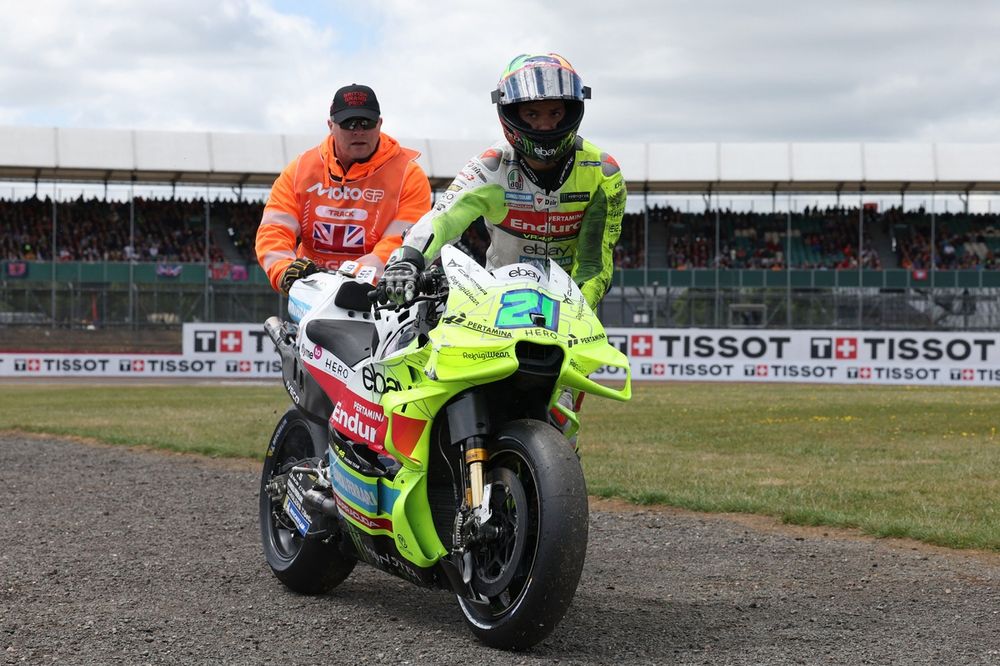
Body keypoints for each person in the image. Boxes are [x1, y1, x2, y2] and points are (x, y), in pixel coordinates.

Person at [379, 53, 626, 309]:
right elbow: (443, 218)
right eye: (532, 114)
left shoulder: (603, 173)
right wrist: (407, 260)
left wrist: (575, 309)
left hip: (574, 309)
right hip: (497, 307)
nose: (544, 125)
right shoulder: (490, 168)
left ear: (571, 111)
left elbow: (594, 263)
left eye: (554, 113)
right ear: (511, 114)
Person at [256, 84, 432, 294]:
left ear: (380, 124)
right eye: (348, 123)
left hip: (377, 292)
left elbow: (402, 242)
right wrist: (283, 270)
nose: (358, 131)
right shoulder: (300, 170)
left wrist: (348, 277)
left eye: (366, 123)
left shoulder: (408, 175)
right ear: (331, 125)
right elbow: (274, 230)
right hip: (311, 289)